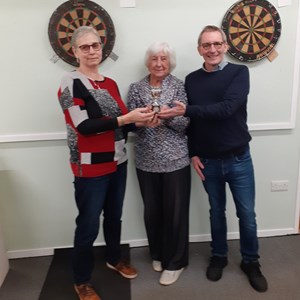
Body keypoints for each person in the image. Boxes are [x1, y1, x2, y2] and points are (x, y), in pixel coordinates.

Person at [159, 25, 268, 292]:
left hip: (239, 159)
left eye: (217, 44)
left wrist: (189, 110)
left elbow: (228, 109)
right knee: (216, 213)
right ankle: (218, 257)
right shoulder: (192, 80)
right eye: (207, 45)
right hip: (208, 160)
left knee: (247, 214)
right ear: (199, 50)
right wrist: (194, 152)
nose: (213, 49)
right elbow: (193, 123)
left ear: (226, 46)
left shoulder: (239, 73)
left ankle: (251, 262)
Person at [57, 26, 154, 300]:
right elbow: (84, 126)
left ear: (102, 48)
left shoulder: (109, 83)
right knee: (88, 224)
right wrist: (126, 119)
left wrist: (142, 121)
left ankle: (114, 258)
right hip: (89, 168)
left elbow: (119, 127)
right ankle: (81, 280)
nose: (91, 51)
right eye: (84, 47)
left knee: (114, 216)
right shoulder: (70, 81)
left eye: (95, 45)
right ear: (74, 51)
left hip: (117, 162)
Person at [127, 42, 191, 286]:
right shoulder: (136, 88)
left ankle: (176, 262)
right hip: (146, 160)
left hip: (176, 160)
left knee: (175, 213)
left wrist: (167, 118)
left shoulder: (179, 86)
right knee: (153, 212)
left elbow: (185, 123)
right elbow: (129, 124)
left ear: (170, 62)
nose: (159, 63)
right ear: (147, 62)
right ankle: (158, 253)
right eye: (154, 59)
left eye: (163, 59)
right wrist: (142, 123)